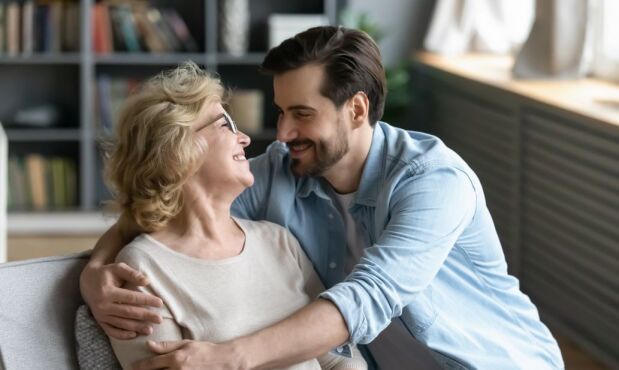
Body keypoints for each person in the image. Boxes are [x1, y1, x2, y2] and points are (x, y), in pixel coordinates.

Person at [81, 26, 565, 369]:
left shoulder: (434, 181)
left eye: (302, 113)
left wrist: (228, 359)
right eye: (280, 111)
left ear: (355, 109)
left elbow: (368, 296)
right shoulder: (281, 170)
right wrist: (95, 272)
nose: (283, 131)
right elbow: (168, 199)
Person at [91, 61, 366, 370]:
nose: (245, 138)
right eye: (225, 126)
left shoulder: (278, 240)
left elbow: (339, 359)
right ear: (178, 148)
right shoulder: (143, 270)